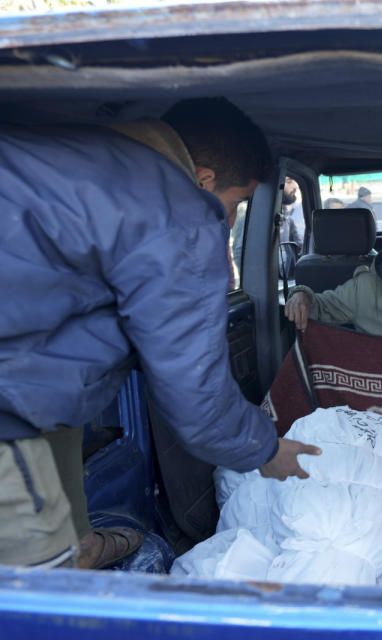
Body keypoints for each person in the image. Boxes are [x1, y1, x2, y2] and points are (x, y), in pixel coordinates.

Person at [0, 97, 320, 572]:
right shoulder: (175, 210)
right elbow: (196, 396)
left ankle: (81, 542)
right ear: (204, 179)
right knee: (38, 584)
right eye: (236, 205)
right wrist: (264, 450)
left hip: (23, 370)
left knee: (57, 430)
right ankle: (61, 561)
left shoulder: (47, 148)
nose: (229, 222)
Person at [279, 177, 303, 280]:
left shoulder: (288, 219)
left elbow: (300, 246)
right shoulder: (257, 218)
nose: (295, 186)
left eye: (294, 181)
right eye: (289, 181)